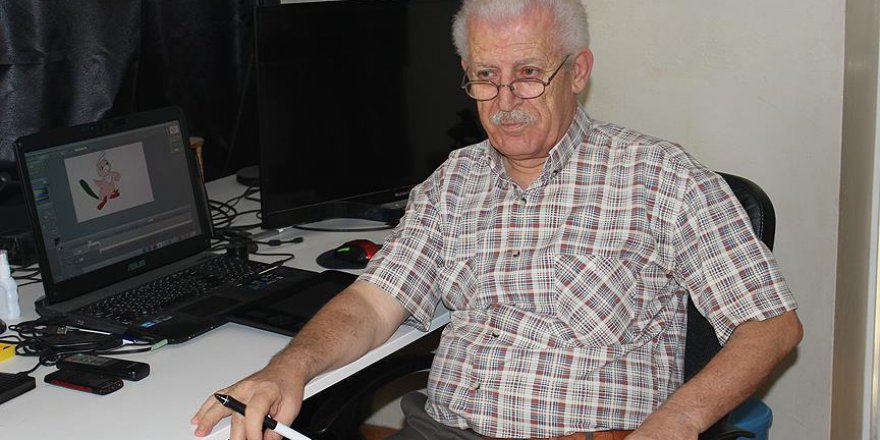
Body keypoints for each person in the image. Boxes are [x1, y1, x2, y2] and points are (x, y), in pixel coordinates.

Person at [192, 1, 802, 439]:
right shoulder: (453, 181)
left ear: (578, 72)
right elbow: (373, 304)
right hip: (440, 429)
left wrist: (679, 421)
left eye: (529, 74)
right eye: (486, 76)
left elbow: (770, 324)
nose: (505, 101)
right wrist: (288, 366)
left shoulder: (659, 176)